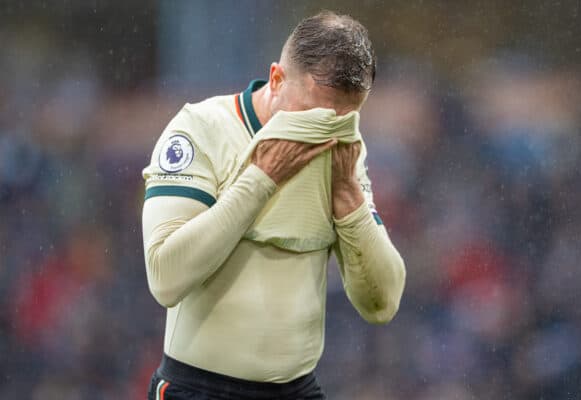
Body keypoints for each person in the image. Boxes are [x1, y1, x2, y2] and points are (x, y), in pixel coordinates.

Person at [142, 10, 406, 400]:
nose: (324, 129)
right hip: (200, 389)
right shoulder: (200, 129)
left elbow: (382, 303)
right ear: (277, 79)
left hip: (297, 390)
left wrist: (349, 197)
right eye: (311, 113)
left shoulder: (343, 148)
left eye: (342, 119)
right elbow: (165, 277)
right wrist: (260, 180)